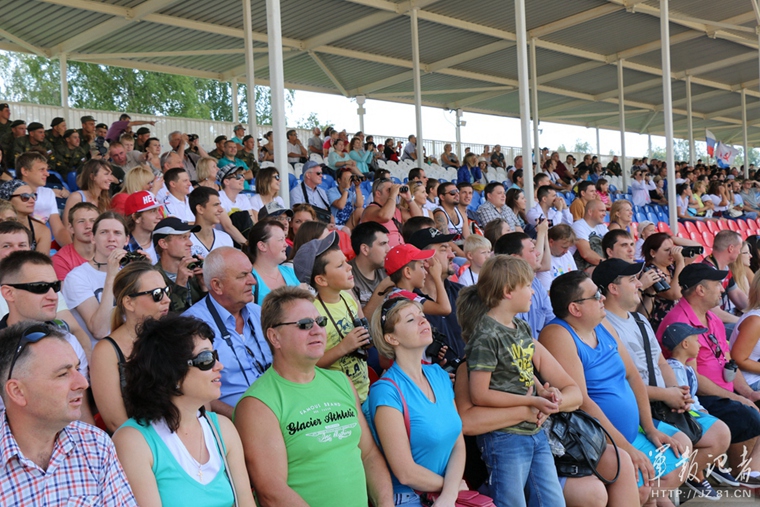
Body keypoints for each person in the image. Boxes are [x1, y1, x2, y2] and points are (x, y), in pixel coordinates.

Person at [233, 286, 394, 507]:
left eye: (321, 322)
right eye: (305, 324)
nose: (317, 330)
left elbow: (369, 455)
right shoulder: (257, 404)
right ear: (274, 337)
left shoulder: (341, 382)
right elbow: (272, 492)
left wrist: (386, 503)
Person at [540, 271, 691, 506]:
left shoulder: (602, 324)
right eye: (595, 295)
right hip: (600, 442)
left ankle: (653, 499)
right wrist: (626, 448)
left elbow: (633, 376)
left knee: (680, 453)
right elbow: (583, 402)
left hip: (631, 433)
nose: (602, 298)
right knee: (643, 485)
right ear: (575, 309)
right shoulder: (558, 334)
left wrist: (649, 428)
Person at [595, 259, 733, 498]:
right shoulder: (603, 326)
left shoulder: (639, 320)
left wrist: (678, 392)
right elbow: (623, 382)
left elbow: (660, 363)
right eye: (632, 280)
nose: (640, 284)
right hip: (641, 408)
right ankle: (654, 496)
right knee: (681, 448)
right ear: (613, 288)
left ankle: (665, 490)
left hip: (664, 401)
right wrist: (667, 395)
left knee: (720, 434)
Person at [460, 255, 582, 507]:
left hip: (534, 431)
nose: (533, 291)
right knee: (512, 502)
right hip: (504, 438)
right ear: (507, 291)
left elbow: (523, 369)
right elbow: (479, 395)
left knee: (552, 502)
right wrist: (531, 402)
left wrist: (544, 393)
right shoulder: (486, 336)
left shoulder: (521, 328)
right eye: (527, 285)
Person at [113, 315, 255, 507]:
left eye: (216, 356)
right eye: (206, 359)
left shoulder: (222, 429)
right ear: (172, 372)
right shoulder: (133, 441)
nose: (219, 366)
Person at [0, 320, 138, 505]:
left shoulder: (96, 445)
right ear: (18, 392)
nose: (83, 383)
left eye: (77, 368)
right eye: (63, 374)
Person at [657, 264, 760, 481]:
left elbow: (728, 362)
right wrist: (736, 397)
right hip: (696, 398)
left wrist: (747, 393)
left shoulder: (712, 318)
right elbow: (693, 379)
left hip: (722, 391)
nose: (722, 289)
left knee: (752, 405)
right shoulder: (680, 322)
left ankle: (745, 472)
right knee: (748, 415)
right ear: (700, 290)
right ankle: (743, 473)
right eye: (717, 285)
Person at [364, 297, 466, 506]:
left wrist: (449, 494)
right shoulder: (386, 391)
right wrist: (451, 488)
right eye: (411, 319)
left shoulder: (439, 374)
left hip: (446, 496)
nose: (423, 321)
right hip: (410, 498)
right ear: (392, 338)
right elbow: (405, 472)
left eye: (422, 315)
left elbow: (458, 443)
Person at [183, 247, 271, 417]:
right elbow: (194, 392)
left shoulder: (260, 313)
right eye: (242, 276)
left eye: (251, 273)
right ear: (217, 285)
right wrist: (240, 417)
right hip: (232, 419)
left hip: (281, 408)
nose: (253, 281)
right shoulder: (191, 325)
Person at [90, 262, 170, 433]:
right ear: (129, 302)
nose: (167, 300)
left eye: (166, 291)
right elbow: (116, 422)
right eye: (157, 294)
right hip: (138, 442)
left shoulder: (176, 338)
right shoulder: (107, 352)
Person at [293, 232, 373, 400]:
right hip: (339, 398)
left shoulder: (347, 297)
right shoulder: (313, 314)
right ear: (321, 280)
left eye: (346, 261)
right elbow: (310, 365)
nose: (349, 267)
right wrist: (344, 347)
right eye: (340, 265)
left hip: (364, 390)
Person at [62, 212, 131, 341]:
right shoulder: (76, 277)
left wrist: (147, 271)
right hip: (97, 350)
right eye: (104, 232)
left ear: (126, 240)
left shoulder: (132, 273)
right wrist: (111, 276)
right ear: (93, 238)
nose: (111, 238)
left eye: (117, 233)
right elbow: (100, 331)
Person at [494, 231, 554, 340]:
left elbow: (551, 322)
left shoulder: (536, 283)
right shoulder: (501, 292)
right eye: (532, 250)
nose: (538, 253)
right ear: (515, 258)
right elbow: (518, 340)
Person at [15, 151, 70, 246]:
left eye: (46, 170)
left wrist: (71, 249)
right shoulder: (11, 193)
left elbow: (58, 229)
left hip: (42, 242)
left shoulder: (48, 193)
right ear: (25, 171)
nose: (47, 174)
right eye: (42, 170)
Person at [152, 217, 206, 312]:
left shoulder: (195, 272)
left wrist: (204, 287)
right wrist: (180, 284)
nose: (190, 243)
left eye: (189, 237)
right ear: (163, 243)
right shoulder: (152, 277)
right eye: (183, 238)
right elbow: (166, 316)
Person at [247, 219, 299, 305]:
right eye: (281, 239)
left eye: (285, 239)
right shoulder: (248, 279)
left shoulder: (291, 272)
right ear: (262, 246)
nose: (286, 244)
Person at [703, 230, 749, 325]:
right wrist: (743, 321)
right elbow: (714, 312)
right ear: (731, 248)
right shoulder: (707, 271)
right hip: (711, 324)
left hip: (722, 321)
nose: (739, 252)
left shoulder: (725, 268)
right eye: (739, 249)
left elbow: (737, 295)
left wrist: (755, 310)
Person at [349, 221, 392, 318]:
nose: (388, 249)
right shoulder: (346, 275)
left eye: (387, 243)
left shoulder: (386, 269)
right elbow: (362, 322)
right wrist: (382, 288)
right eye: (383, 244)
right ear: (365, 249)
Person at [362, 178, 417, 248]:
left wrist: (409, 198)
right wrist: (393, 195)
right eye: (389, 190)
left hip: (400, 249)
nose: (394, 192)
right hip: (382, 251)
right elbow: (385, 217)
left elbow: (417, 219)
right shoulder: (370, 209)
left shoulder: (396, 209)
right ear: (378, 194)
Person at [0, 180, 51, 254]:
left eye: (33, 196)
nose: (32, 201)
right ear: (7, 200)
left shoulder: (41, 230)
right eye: (25, 197)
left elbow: (41, 260)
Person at [188, 187, 234, 258]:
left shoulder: (225, 238)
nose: (221, 210)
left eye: (220, 205)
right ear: (200, 209)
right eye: (216, 205)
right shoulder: (186, 241)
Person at [124, 190, 162, 264]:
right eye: (153, 211)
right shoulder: (123, 247)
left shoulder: (162, 241)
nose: (160, 216)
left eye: (158, 210)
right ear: (136, 217)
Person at [571, 199, 608, 272]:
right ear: (590, 212)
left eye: (605, 211)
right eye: (601, 211)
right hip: (581, 267)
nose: (605, 214)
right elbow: (586, 254)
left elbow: (612, 245)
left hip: (597, 264)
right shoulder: (578, 226)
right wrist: (609, 264)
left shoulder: (602, 227)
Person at [537, 224, 577, 291]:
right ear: (551, 242)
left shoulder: (567, 254)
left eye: (568, 248)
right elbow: (548, 290)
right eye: (564, 247)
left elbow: (576, 278)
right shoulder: (542, 259)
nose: (566, 251)